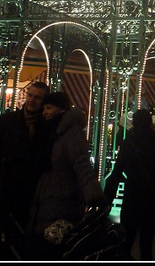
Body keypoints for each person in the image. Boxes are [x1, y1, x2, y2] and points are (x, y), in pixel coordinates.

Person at [25, 92, 107, 259]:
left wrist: (94, 196)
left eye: (49, 108)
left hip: (61, 201)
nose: (45, 112)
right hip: (47, 199)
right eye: (44, 108)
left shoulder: (70, 132)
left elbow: (81, 164)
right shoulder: (51, 131)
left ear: (60, 108)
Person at [0, 81, 50, 259]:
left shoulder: (46, 127)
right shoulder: (6, 121)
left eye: (37, 97)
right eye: (30, 95)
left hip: (29, 193)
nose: (31, 100)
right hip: (3, 189)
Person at [104, 108, 155, 260]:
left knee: (127, 240)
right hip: (152, 198)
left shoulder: (129, 143)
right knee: (146, 243)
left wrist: (107, 200)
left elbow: (116, 173)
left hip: (132, 195)